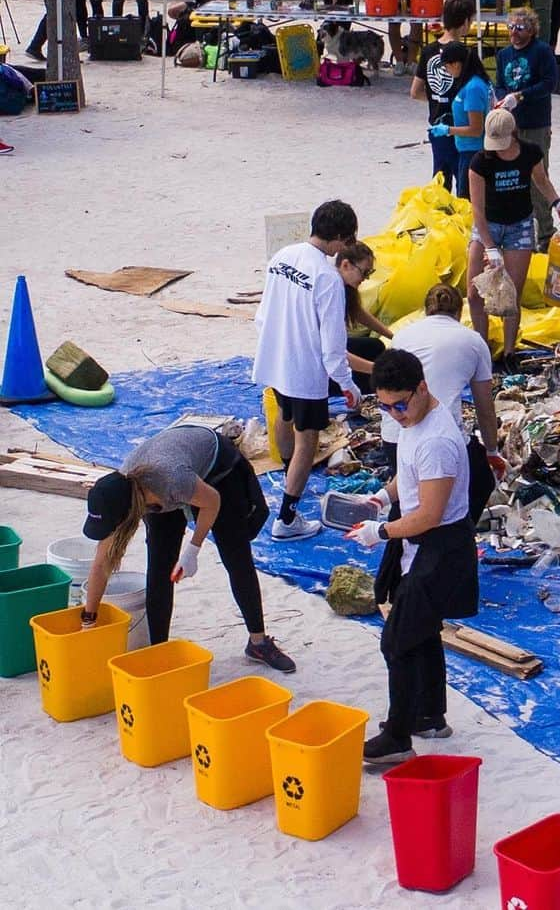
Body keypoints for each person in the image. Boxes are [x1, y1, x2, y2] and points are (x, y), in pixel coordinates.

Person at [348, 349, 479, 765]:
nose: (395, 415)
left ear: (422, 388)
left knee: (397, 642)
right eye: (385, 408)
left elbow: (429, 514)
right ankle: (429, 715)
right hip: (419, 542)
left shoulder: (438, 440)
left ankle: (399, 737)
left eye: (400, 404)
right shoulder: (412, 422)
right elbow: (409, 477)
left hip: (441, 546)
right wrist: (380, 497)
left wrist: (380, 530)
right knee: (421, 631)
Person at [79, 425, 295, 672]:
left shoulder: (171, 480)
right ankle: (159, 653)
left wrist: (193, 549)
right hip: (166, 482)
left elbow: (212, 501)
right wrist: (88, 618)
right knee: (160, 569)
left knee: (236, 556)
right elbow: (101, 563)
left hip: (217, 470)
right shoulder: (116, 494)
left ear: (128, 512)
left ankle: (258, 643)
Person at [253, 200, 361, 540]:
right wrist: (348, 385)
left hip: (276, 357)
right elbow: (332, 346)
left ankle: (288, 477)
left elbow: (263, 311)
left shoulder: (283, 256)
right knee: (307, 440)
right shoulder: (328, 278)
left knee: (284, 416)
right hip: (304, 369)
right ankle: (286, 518)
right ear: (341, 238)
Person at [378, 283, 504, 505]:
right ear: (459, 312)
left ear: (426, 310)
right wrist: (492, 450)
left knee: (410, 498)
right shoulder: (473, 341)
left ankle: (399, 530)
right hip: (435, 438)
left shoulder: (403, 335)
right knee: (470, 488)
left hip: (394, 435)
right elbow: (485, 407)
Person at [466, 108, 560, 360]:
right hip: (488, 224)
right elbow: (477, 211)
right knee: (474, 293)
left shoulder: (530, 153)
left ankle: (510, 351)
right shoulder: (480, 162)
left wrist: (557, 204)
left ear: (513, 134)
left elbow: (541, 181)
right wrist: (490, 247)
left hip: (520, 224)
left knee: (511, 293)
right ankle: (481, 349)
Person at [494, 8, 558, 250]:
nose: (514, 32)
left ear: (531, 30)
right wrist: (503, 99)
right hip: (511, 126)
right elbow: (500, 84)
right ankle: (521, 234)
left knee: (538, 178)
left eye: (520, 28)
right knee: (513, 180)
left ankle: (546, 233)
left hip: (536, 124)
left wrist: (520, 96)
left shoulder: (541, 51)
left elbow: (549, 83)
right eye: (511, 27)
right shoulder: (503, 55)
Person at [412, 0, 481, 192]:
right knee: (465, 186)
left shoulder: (428, 51)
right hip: (461, 128)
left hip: (437, 125)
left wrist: (435, 99)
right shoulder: (466, 54)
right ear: (465, 22)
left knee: (440, 185)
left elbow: (415, 92)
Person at [429, 39, 491, 196]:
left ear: (456, 64)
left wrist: (448, 130)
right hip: (465, 150)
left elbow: (476, 129)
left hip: (473, 152)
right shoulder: (469, 84)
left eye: (447, 66)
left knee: (467, 200)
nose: (447, 70)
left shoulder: (473, 88)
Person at [335, 241, 391, 395]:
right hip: (317, 361)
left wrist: (392, 335)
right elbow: (335, 354)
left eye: (369, 274)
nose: (366, 279)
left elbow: (357, 312)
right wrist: (378, 370)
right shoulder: (332, 292)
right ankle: (365, 396)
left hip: (332, 351)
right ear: (346, 265)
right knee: (370, 367)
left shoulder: (347, 287)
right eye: (364, 273)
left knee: (375, 346)